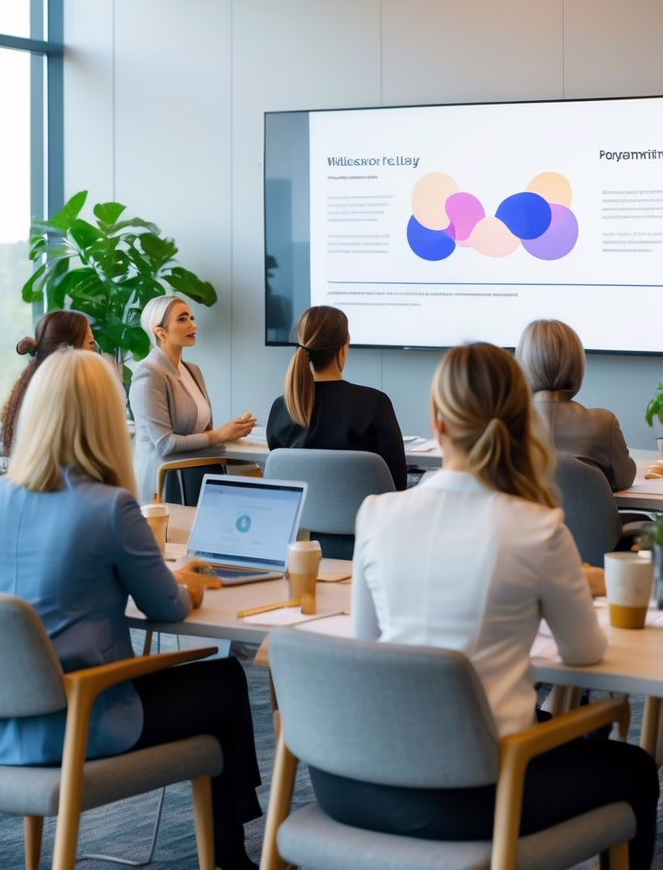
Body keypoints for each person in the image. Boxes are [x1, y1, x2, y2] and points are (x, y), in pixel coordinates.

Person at [313, 342, 658, 867]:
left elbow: (368, 647)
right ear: (522, 424)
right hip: (479, 797)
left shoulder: (377, 514)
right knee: (631, 766)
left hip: (355, 784)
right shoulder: (536, 526)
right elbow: (584, 655)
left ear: (437, 422)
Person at [0, 348, 262, 870]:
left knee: (215, 683)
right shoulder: (111, 506)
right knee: (224, 680)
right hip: (75, 719)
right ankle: (231, 855)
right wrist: (190, 587)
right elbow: (168, 606)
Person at [130, 295, 256, 503]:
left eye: (191, 317)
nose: (192, 324)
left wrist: (232, 431)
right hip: (164, 483)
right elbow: (165, 444)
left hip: (194, 473)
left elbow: (203, 431)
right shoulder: (149, 374)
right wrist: (219, 435)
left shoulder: (192, 370)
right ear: (160, 331)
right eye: (182, 319)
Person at [266, 306, 407, 490]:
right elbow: (397, 485)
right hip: (363, 518)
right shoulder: (374, 404)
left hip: (301, 519)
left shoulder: (281, 408)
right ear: (343, 349)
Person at [516, 318, 636, 491]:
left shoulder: (502, 424)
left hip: (524, 518)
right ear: (576, 364)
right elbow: (624, 480)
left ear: (523, 366)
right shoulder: (603, 424)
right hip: (588, 518)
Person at [0, 310, 98, 457]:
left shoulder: (30, 394)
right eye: (91, 344)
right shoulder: (65, 402)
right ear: (70, 350)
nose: (95, 352)